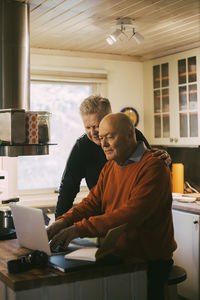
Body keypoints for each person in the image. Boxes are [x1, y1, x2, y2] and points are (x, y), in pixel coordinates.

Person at [48, 112, 176, 300]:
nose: (104, 144)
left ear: (130, 134)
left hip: (149, 261)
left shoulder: (153, 166)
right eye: (101, 138)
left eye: (110, 137)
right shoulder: (111, 166)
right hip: (119, 256)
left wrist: (78, 229)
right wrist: (63, 221)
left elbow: (130, 215)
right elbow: (92, 203)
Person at [55, 95, 171, 218]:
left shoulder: (133, 135)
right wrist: (59, 221)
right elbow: (68, 186)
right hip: (103, 215)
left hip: (133, 213)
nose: (93, 132)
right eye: (87, 127)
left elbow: (152, 164)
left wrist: (164, 159)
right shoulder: (82, 146)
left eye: (97, 126)